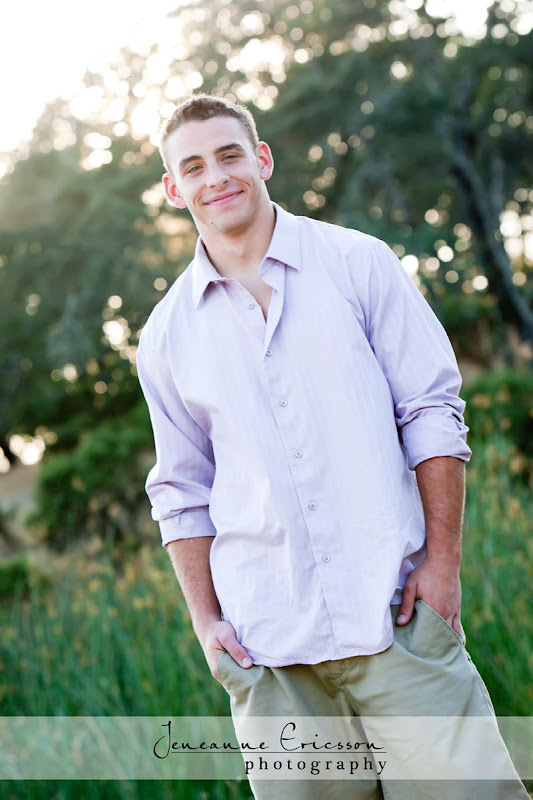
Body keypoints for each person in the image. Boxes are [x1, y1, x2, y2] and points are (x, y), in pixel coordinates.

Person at [136, 94, 528, 799]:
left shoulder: (357, 263)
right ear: (173, 189)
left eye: (229, 155)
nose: (215, 177)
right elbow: (181, 489)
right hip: (269, 651)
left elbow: (431, 412)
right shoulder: (166, 335)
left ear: (261, 159)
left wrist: (442, 565)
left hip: (398, 621)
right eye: (192, 167)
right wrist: (205, 621)